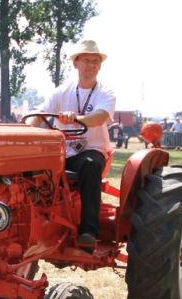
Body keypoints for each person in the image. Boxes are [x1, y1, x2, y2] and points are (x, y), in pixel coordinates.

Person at [28, 39, 116, 247]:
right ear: (76, 63)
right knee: (28, 169)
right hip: (61, 153)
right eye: (86, 60)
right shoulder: (61, 92)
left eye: (95, 61)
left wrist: (76, 118)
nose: (91, 65)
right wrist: (28, 125)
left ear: (100, 65)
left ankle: (89, 231)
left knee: (90, 165)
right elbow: (39, 114)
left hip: (91, 150)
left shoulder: (106, 94)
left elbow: (99, 117)